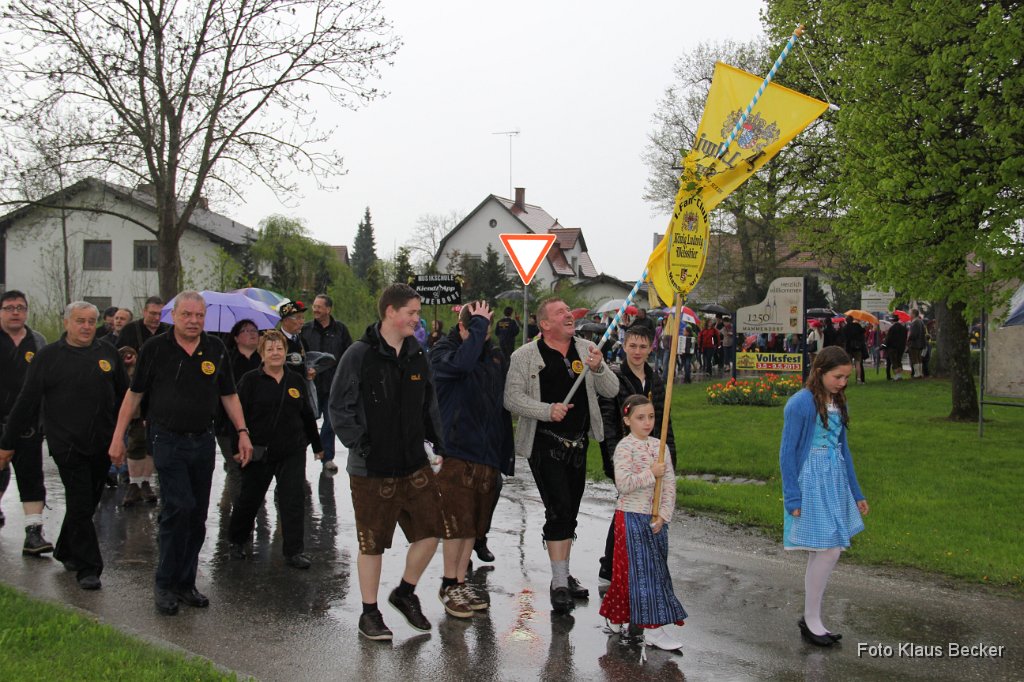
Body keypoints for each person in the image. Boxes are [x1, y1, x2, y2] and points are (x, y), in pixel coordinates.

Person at [109, 291, 252, 616]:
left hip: (202, 439)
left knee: (197, 515)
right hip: (166, 438)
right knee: (178, 507)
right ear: (174, 316)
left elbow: (229, 395)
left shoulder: (215, 349)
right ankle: (164, 582)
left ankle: (186, 582)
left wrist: (242, 432)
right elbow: (134, 396)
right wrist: (117, 437)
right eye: (187, 315)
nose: (193, 321)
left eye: (199, 316)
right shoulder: (155, 349)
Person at [329, 283, 446, 641]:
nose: (417, 318)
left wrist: (437, 442)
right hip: (371, 470)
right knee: (372, 544)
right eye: (411, 312)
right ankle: (370, 614)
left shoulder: (418, 354)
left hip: (414, 464)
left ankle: (405, 592)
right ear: (390, 312)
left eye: (417, 312)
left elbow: (430, 404)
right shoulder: (359, 354)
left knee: (432, 531)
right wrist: (361, 444)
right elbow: (338, 407)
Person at [1, 302, 128, 589]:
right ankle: (89, 567)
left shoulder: (107, 353)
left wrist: (124, 432)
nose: (86, 327)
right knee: (81, 502)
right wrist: (7, 442)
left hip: (102, 443)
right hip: (66, 443)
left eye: (91, 321)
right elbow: (26, 401)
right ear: (66, 322)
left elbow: (124, 395)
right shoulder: (48, 357)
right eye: (80, 321)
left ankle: (65, 549)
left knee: (88, 501)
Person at [503, 297, 618, 614]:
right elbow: (512, 398)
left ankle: (563, 573)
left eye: (569, 311)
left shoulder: (586, 349)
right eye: (560, 312)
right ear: (545, 324)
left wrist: (599, 367)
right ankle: (558, 584)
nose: (569, 315)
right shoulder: (525, 356)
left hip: (579, 445)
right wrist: (546, 410)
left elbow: (611, 389)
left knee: (570, 511)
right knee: (559, 509)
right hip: (544, 444)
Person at [429, 301, 514, 618]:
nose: (484, 335)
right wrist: (476, 329)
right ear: (464, 328)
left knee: (473, 527)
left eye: (487, 329)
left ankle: (461, 581)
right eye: (479, 329)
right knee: (456, 523)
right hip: (456, 452)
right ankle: (448, 584)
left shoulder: (492, 355)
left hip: (486, 454)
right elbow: (462, 365)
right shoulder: (443, 352)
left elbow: (499, 401)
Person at [779, 346, 869, 647]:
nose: (843, 383)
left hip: (834, 479)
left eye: (846, 377)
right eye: (837, 376)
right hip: (811, 480)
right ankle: (811, 618)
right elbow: (787, 454)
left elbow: (844, 450)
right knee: (829, 549)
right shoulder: (801, 404)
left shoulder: (838, 402)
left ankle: (813, 618)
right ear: (819, 372)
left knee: (827, 550)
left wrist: (856, 493)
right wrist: (792, 498)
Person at [598, 394, 687, 651]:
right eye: (640, 418)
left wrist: (663, 515)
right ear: (627, 420)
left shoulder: (661, 447)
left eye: (651, 417)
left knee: (635, 572)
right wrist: (651, 473)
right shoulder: (625, 448)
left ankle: (616, 614)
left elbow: (669, 484)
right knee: (646, 574)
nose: (647, 422)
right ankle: (653, 630)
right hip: (630, 517)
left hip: (655, 518)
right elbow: (624, 484)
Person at [228, 330, 322, 569]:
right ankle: (237, 541)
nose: (275, 353)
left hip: (292, 450)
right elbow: (236, 416)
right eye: (270, 349)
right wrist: (236, 447)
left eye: (279, 348)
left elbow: (307, 415)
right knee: (250, 499)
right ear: (262, 353)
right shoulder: (250, 381)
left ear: (285, 351)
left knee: (293, 500)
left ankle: (294, 551)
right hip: (260, 451)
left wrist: (318, 446)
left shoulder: (295, 380)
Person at [597, 325, 676, 593]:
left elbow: (666, 420)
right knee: (625, 508)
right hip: (627, 453)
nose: (638, 351)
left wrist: (670, 455)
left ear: (650, 348)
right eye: (633, 346)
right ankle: (609, 565)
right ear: (624, 346)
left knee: (643, 509)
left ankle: (642, 563)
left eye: (643, 346)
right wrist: (611, 456)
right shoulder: (616, 377)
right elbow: (609, 420)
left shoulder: (656, 378)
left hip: (652, 453)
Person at [0, 290, 52, 552]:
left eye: (20, 307)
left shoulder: (37, 341)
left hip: (28, 424)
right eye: (9, 308)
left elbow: (47, 382)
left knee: (32, 477)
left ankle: (34, 533)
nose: (15, 312)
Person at [300, 294, 352, 474]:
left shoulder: (340, 330)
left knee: (331, 423)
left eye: (319, 307)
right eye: (314, 306)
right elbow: (301, 355)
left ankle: (327, 458)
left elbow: (348, 356)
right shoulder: (305, 330)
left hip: (333, 385)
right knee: (306, 423)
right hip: (311, 386)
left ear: (328, 309)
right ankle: (299, 455)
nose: (315, 310)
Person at [214, 319, 263, 467]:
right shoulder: (226, 359)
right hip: (228, 424)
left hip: (257, 422)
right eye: (246, 330)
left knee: (255, 470)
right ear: (236, 337)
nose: (252, 334)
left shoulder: (264, 360)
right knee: (237, 469)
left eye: (254, 330)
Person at [118, 345, 158, 507]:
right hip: (132, 415)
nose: (129, 357)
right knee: (135, 447)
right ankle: (134, 484)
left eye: (131, 355)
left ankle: (145, 482)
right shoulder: (120, 372)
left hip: (149, 414)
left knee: (150, 448)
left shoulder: (145, 368)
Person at [841, 316, 867, 385]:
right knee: (858, 363)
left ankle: (846, 379)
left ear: (846, 321)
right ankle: (858, 379)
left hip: (848, 348)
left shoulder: (845, 328)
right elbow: (863, 331)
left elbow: (843, 338)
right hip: (857, 347)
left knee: (848, 364)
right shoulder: (856, 325)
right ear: (852, 320)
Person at [884, 315, 907, 381]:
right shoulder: (903, 328)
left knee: (894, 362)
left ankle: (897, 376)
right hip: (901, 347)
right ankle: (900, 375)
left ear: (892, 320)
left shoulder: (892, 328)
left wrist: (883, 346)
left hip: (893, 348)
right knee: (899, 361)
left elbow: (888, 339)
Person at [907, 308, 926, 379]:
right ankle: (920, 373)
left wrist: (908, 338)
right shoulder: (921, 321)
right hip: (920, 343)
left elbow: (913, 334)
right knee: (919, 358)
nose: (909, 314)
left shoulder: (914, 322)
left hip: (914, 343)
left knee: (915, 359)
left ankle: (917, 374)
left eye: (910, 313)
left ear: (914, 314)